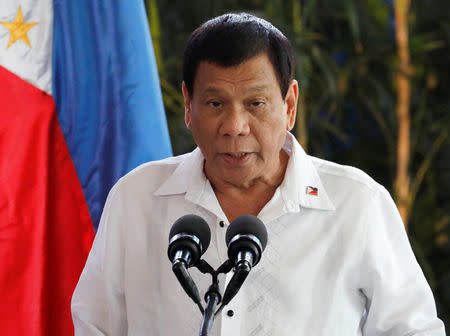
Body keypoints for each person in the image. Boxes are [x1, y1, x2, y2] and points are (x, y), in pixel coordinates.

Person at [71, 13, 445, 335]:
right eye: (215, 103)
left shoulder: (357, 204)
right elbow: (95, 327)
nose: (235, 126)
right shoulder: (135, 199)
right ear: (188, 106)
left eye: (256, 104)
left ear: (289, 105)